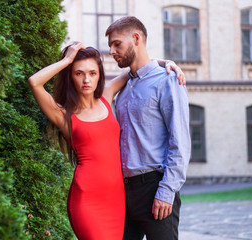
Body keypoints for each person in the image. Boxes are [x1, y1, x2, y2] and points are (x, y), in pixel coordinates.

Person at [28, 43, 184, 239]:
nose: (87, 79)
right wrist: (67, 60)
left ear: (99, 75)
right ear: (70, 76)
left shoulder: (106, 97)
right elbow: (34, 82)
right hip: (87, 200)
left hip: (118, 199)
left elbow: (138, 67)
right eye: (79, 73)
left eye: (92, 73)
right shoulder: (63, 115)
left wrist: (167, 63)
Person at [105, 16, 191, 240]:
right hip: (124, 191)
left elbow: (179, 140)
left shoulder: (167, 80)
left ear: (136, 38)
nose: (112, 51)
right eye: (110, 46)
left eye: (117, 44)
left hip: (155, 187)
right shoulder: (123, 89)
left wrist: (167, 190)